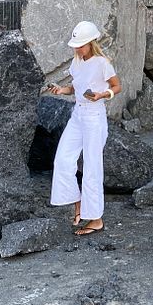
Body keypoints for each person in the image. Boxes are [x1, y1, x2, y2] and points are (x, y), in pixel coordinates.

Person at [48, 21, 122, 235]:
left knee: (92, 167)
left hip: (94, 117)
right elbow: (76, 87)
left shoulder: (102, 63)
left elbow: (117, 86)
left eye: (81, 45)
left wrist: (102, 95)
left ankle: (96, 219)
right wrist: (62, 90)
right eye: (76, 45)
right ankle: (78, 203)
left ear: (91, 43)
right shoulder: (77, 62)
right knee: (62, 159)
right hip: (78, 115)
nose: (77, 49)